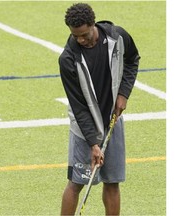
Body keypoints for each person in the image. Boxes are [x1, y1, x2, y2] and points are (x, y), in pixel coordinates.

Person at [59, 3, 140, 215]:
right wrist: (94, 143)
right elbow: (79, 107)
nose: (80, 40)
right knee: (76, 183)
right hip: (84, 128)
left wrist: (123, 94)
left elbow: (132, 60)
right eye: (76, 36)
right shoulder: (68, 59)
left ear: (93, 24)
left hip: (112, 121)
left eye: (84, 35)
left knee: (112, 182)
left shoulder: (117, 37)